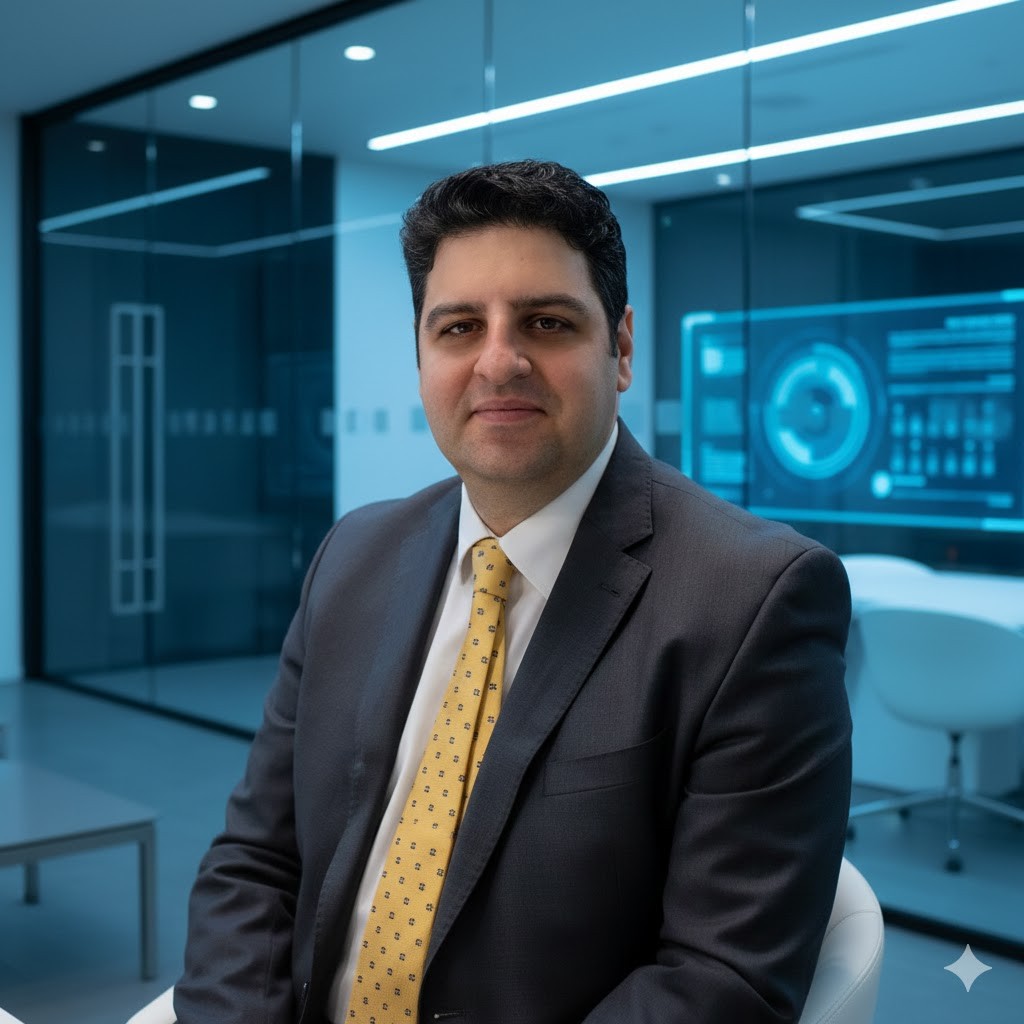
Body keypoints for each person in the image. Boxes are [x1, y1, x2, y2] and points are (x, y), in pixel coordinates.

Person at [175, 159, 852, 1024]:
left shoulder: (752, 600)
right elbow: (255, 863)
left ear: (621, 348)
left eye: (546, 322)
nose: (499, 361)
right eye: (459, 327)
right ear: (422, 355)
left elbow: (721, 980)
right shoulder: (353, 557)